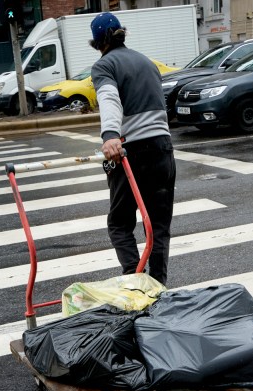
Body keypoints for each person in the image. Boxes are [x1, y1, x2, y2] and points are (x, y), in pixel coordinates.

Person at [89, 12, 177, 286]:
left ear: (98, 41)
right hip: (163, 149)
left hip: (131, 153)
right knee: (158, 227)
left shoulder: (104, 65)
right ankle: (159, 287)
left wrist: (111, 135)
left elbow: (108, 98)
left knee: (119, 223)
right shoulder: (147, 62)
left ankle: (135, 281)